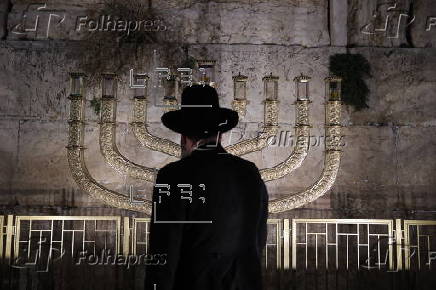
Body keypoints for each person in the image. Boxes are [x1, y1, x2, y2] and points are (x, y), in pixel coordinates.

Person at [145, 84, 269, 290]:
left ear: (184, 138)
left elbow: (164, 252)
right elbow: (258, 239)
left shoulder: (173, 175)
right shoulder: (250, 173)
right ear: (220, 134)